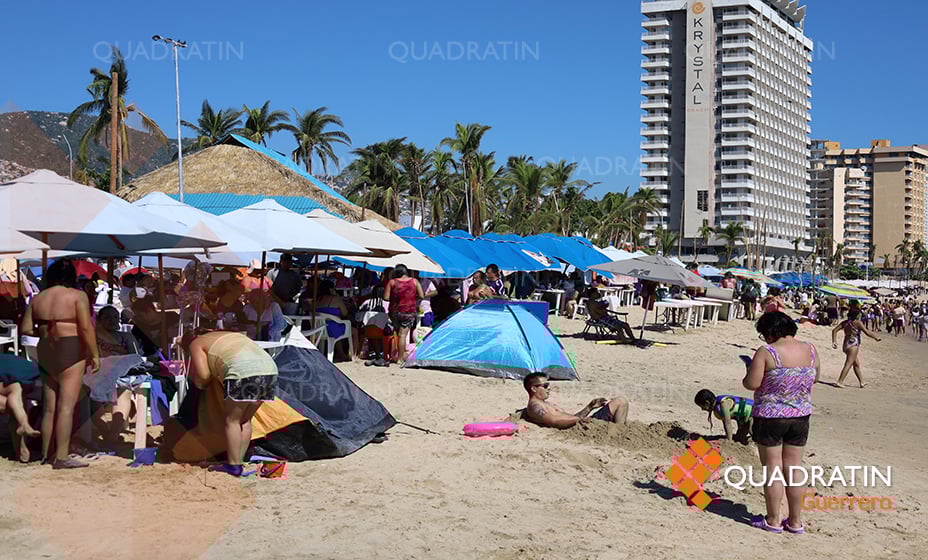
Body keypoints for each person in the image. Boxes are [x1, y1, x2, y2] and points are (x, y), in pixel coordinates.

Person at [742, 311, 819, 534]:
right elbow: (814, 377)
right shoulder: (811, 350)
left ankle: (773, 520)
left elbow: (752, 383)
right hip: (801, 415)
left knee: (773, 470)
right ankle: (795, 522)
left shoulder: (767, 352)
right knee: (794, 468)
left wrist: (749, 370)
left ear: (769, 332)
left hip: (770, 416)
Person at [21, 259, 101, 469]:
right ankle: (62, 457)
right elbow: (85, 328)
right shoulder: (77, 296)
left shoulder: (38, 299)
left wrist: (47, 329)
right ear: (72, 277)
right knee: (66, 407)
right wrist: (94, 354)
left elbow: (27, 328)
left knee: (49, 407)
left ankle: (46, 454)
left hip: (47, 349)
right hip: (71, 348)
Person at [183, 330, 278, 477]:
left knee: (231, 420)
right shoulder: (230, 335)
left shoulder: (196, 343)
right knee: (245, 421)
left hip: (241, 371)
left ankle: (233, 466)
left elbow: (204, 375)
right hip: (269, 370)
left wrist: (200, 385)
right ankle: (238, 461)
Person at [522, 373, 629, 427]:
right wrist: (579, 420)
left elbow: (571, 417)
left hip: (581, 424)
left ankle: (618, 430)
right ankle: (619, 431)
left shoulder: (543, 404)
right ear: (534, 388)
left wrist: (589, 407)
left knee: (620, 401)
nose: (549, 388)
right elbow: (555, 421)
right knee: (620, 401)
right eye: (545, 386)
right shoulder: (535, 406)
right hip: (581, 427)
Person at [831, 309, 880, 388]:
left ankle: (862, 382)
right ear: (857, 315)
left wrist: (834, 342)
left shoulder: (845, 322)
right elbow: (867, 332)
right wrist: (875, 337)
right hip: (853, 344)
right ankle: (840, 381)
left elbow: (834, 330)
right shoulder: (857, 323)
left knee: (856, 364)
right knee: (848, 363)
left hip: (845, 344)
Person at [384, 264, 423, 364]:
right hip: (409, 311)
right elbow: (421, 295)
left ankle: (398, 356)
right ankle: (400, 358)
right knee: (403, 335)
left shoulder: (392, 282)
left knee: (398, 334)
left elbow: (386, 298)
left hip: (395, 311)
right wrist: (412, 299)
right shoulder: (415, 281)